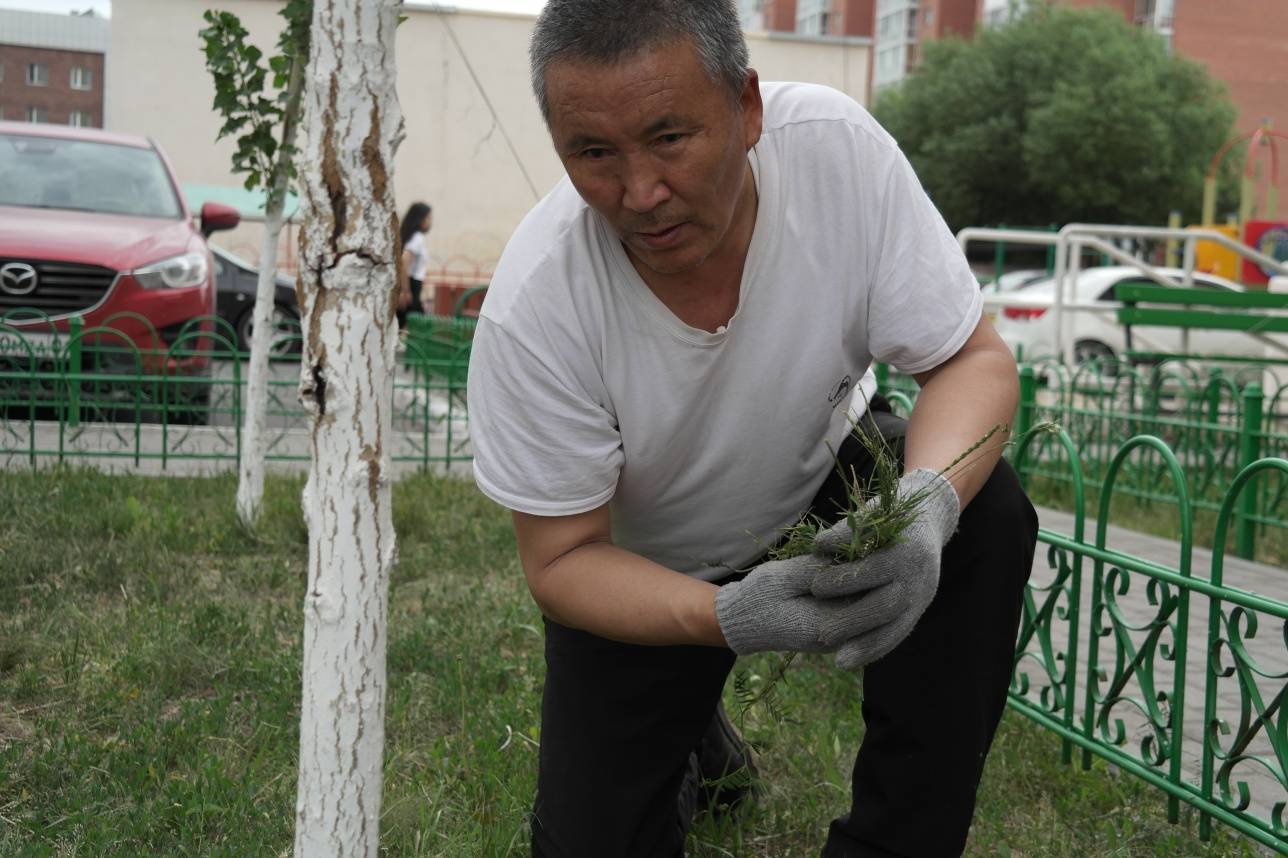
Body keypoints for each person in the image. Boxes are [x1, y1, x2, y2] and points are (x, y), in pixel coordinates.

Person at [466, 1, 1039, 855]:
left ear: (746, 107)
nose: (640, 193)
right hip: (647, 571)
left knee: (986, 518)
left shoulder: (837, 156)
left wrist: (927, 506)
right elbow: (562, 560)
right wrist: (725, 617)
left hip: (819, 477)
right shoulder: (537, 305)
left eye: (669, 138)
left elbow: (971, 362)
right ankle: (699, 733)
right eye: (594, 153)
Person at [397, 202, 433, 327]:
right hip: (411, 286)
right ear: (420, 219)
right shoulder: (417, 237)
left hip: (410, 285)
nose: (430, 222)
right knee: (421, 327)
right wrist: (404, 290)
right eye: (428, 218)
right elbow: (403, 261)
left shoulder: (409, 236)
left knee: (402, 324)